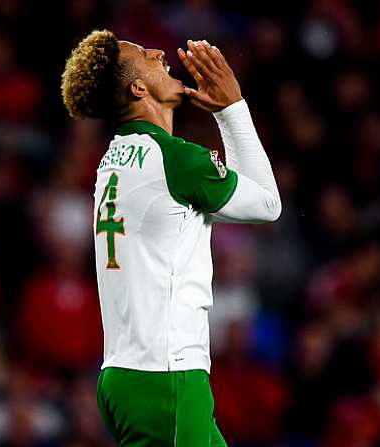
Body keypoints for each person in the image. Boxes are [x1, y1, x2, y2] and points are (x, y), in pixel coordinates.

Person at [60, 30, 281, 446]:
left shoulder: (111, 159)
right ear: (138, 87)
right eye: (144, 54)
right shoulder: (175, 160)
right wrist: (232, 109)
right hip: (167, 377)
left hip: (125, 376)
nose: (160, 52)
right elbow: (268, 204)